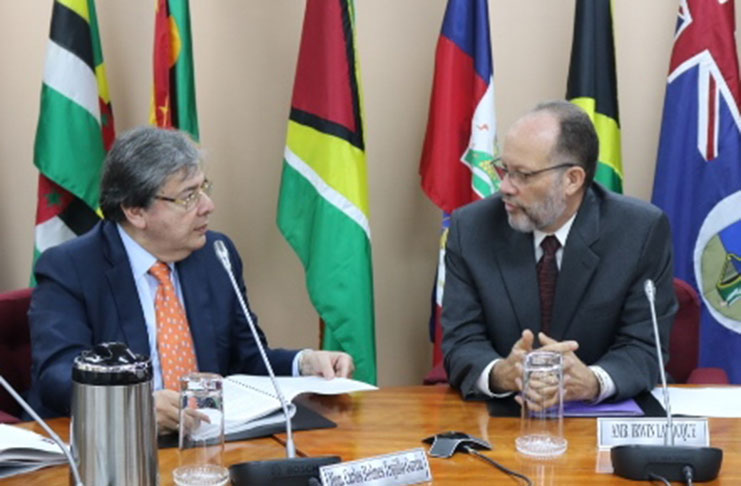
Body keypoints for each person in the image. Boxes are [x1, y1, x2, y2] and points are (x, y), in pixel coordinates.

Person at [28, 126, 354, 431]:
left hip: (209, 437)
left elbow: (247, 357)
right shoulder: (70, 267)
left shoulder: (215, 253)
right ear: (135, 211)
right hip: (117, 444)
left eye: (204, 189)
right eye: (188, 197)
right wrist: (133, 406)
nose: (208, 206)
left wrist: (305, 363)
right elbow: (58, 375)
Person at [442, 100, 677, 404]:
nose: (506, 187)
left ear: (572, 180)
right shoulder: (472, 228)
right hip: (506, 416)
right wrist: (503, 373)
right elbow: (461, 341)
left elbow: (645, 346)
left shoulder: (639, 231)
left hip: (600, 420)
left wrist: (592, 381)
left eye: (523, 175)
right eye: (504, 169)